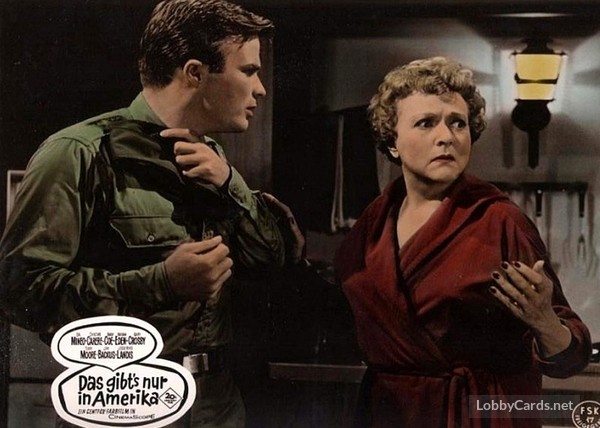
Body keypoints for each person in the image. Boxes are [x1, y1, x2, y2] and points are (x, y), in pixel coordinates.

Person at [0, 1, 303, 427]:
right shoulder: (78, 152)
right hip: (122, 401)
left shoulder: (212, 159)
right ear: (195, 72)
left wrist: (230, 183)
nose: (261, 89)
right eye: (249, 71)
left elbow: (271, 262)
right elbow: (19, 290)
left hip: (215, 404)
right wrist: (161, 283)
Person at [334, 57, 591, 428]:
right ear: (392, 142)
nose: (447, 136)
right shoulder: (373, 222)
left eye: (457, 122)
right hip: (388, 411)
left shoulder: (500, 220)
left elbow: (571, 358)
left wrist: (545, 321)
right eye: (426, 123)